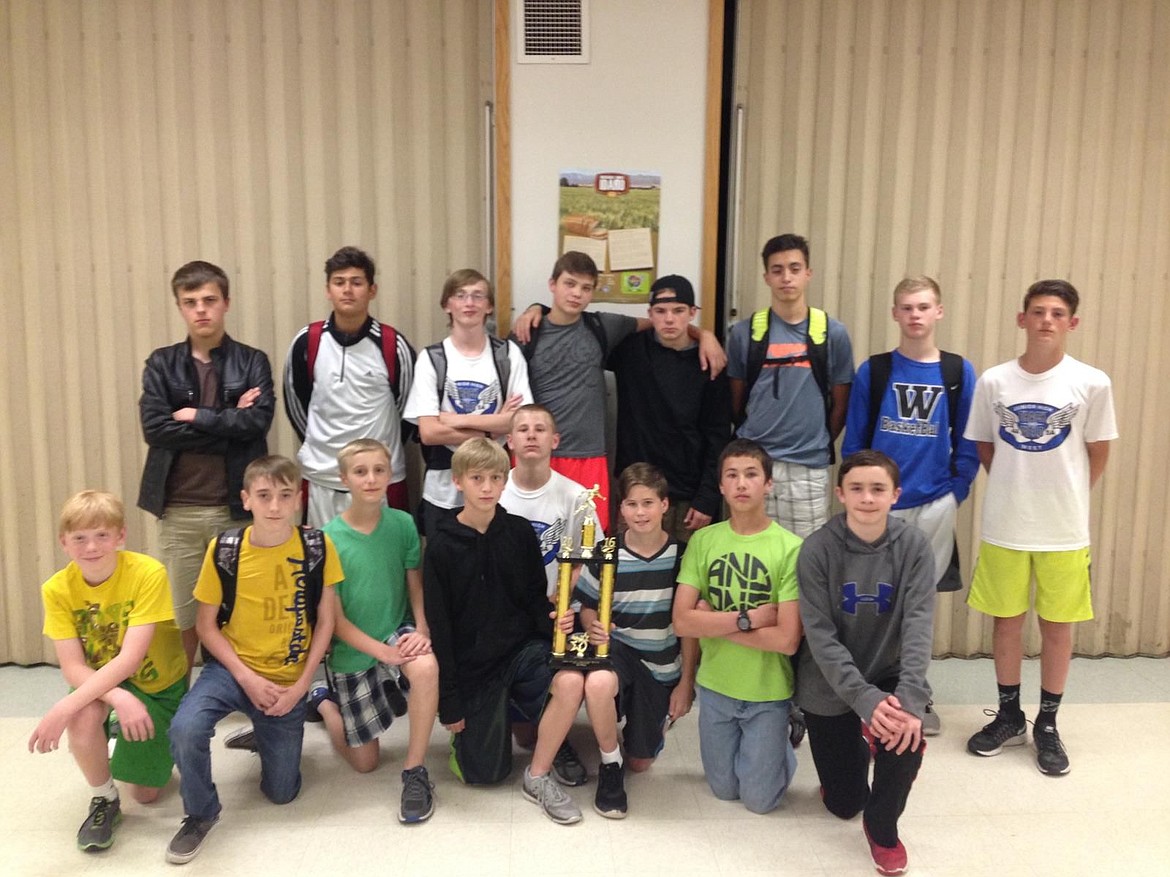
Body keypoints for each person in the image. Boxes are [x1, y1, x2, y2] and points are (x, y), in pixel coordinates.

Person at [963, 280, 1117, 777]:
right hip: (1006, 524)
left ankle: (1047, 724)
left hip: (1063, 530)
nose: (1046, 320)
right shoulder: (994, 382)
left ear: (1071, 323)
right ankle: (1009, 715)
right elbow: (986, 447)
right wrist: (1016, 485)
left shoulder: (1092, 383)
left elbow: (1098, 451)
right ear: (1021, 319)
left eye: (1056, 313)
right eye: (1037, 311)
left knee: (1057, 627)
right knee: (1005, 623)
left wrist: (1065, 493)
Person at [166, 456, 340, 864]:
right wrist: (245, 678)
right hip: (232, 670)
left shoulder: (316, 546)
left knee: (282, 793)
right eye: (264, 496)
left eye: (284, 496)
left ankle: (265, 732)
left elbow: (327, 622)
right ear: (246, 500)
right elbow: (206, 626)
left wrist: (301, 686)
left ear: (298, 499)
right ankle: (200, 813)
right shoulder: (225, 549)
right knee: (185, 728)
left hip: (289, 677)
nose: (275, 506)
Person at [841, 275, 978, 734]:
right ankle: (872, 695)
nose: (915, 315)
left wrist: (955, 490)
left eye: (923, 307)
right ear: (895, 313)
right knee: (876, 601)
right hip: (881, 508)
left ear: (938, 311)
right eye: (907, 307)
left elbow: (969, 441)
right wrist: (864, 497)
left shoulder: (959, 373)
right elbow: (855, 443)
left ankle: (914, 694)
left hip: (935, 503)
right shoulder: (875, 371)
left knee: (919, 604)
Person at [524, 463, 698, 823]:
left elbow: (689, 627)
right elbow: (585, 607)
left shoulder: (682, 555)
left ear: (665, 505)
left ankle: (643, 732)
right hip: (616, 654)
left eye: (648, 503)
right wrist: (594, 625)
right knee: (598, 680)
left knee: (643, 763)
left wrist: (685, 683)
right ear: (620, 509)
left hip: (660, 669)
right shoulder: (607, 552)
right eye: (632, 504)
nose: (640, 512)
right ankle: (609, 764)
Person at [510, 252, 725, 527]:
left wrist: (704, 334)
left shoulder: (604, 329)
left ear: (692, 312)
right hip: (544, 456)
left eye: (586, 287)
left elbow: (717, 433)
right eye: (570, 284)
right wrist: (534, 308)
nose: (577, 293)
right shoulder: (531, 333)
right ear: (553, 284)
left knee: (592, 548)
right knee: (534, 537)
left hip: (609, 466)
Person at [796, 450, 935, 876]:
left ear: (896, 494)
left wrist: (909, 700)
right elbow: (820, 637)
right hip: (829, 681)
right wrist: (864, 700)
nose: (867, 498)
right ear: (840, 494)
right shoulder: (818, 549)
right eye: (857, 488)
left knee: (906, 731)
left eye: (878, 489)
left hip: (888, 671)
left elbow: (918, 626)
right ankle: (860, 739)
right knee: (843, 804)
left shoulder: (913, 546)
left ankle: (883, 827)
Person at [30, 491, 187, 853]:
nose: (91, 547)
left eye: (102, 535)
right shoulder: (56, 589)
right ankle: (103, 799)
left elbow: (131, 658)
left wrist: (60, 708)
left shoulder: (148, 573)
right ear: (64, 543)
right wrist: (115, 697)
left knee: (146, 795)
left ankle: (118, 736)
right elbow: (72, 666)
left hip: (156, 680)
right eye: (80, 538)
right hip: (103, 681)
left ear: (121, 536)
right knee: (82, 716)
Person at [138, 260, 275, 668]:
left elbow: (257, 422)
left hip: (237, 510)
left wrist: (195, 414)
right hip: (178, 510)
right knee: (182, 617)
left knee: (240, 614)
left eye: (210, 300)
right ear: (180, 307)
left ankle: (248, 704)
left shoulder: (252, 361)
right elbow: (155, 430)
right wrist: (230, 418)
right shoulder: (161, 364)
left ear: (226, 303)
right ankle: (179, 703)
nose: (201, 309)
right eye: (191, 301)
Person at [423, 438, 581, 785]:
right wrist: (450, 701)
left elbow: (534, 601)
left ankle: (552, 737)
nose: (487, 487)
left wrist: (557, 630)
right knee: (484, 776)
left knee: (566, 678)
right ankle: (470, 738)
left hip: (521, 651)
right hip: (474, 667)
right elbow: (441, 627)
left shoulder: (520, 532)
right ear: (458, 481)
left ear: (504, 481)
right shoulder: (440, 547)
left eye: (495, 478)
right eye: (477, 478)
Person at [672, 439, 803, 813]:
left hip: (767, 691)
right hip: (715, 687)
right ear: (721, 487)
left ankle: (781, 740)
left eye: (751, 475)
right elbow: (682, 621)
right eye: (732, 475)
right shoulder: (703, 539)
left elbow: (787, 640)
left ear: (768, 484)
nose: (742, 484)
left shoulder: (790, 548)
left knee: (759, 802)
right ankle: (764, 751)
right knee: (723, 790)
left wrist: (710, 621)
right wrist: (747, 620)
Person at [315, 439, 440, 823]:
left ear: (390, 474)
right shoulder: (327, 538)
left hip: (395, 629)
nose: (371, 479)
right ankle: (322, 701)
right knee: (365, 763)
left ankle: (415, 769)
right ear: (344, 478)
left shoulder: (403, 524)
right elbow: (333, 619)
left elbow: (415, 585)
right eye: (360, 471)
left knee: (426, 666)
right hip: (352, 645)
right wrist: (380, 653)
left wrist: (421, 627)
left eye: (378, 471)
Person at [726, 234, 854, 538]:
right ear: (766, 277)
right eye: (777, 269)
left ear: (808, 274)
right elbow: (735, 401)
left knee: (803, 559)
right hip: (754, 464)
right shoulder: (745, 333)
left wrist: (816, 441)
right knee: (751, 553)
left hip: (807, 467)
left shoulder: (832, 333)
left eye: (795, 269)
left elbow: (841, 403)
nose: (786, 277)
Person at [284, 246, 416, 526]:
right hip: (323, 477)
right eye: (339, 282)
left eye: (356, 283)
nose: (348, 290)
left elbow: (406, 410)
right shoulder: (308, 342)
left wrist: (379, 453)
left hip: (380, 482)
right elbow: (296, 406)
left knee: (384, 566)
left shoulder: (393, 345)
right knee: (323, 563)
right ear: (327, 290)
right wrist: (321, 444)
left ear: (372, 290)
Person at [404, 268, 532, 538]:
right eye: (460, 295)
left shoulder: (508, 355)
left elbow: (520, 422)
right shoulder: (432, 358)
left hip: (495, 488)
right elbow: (429, 433)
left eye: (478, 296)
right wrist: (492, 427)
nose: (469, 303)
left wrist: (456, 419)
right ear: (446, 305)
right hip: (443, 491)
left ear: (489, 306)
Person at [607, 275, 731, 540]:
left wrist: (707, 498)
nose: (670, 319)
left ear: (692, 313)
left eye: (678, 311)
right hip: (636, 492)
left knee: (687, 577)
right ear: (650, 314)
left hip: (689, 497)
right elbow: (581, 326)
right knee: (630, 575)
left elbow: (718, 436)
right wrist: (540, 308)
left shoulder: (711, 363)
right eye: (661, 312)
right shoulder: (629, 351)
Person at [501, 404, 603, 597]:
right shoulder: (495, 493)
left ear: (555, 441)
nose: (531, 435)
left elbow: (592, 558)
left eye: (540, 429)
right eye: (523, 429)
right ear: (510, 441)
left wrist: (561, 594)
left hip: (555, 611)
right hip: (503, 610)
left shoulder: (577, 497)